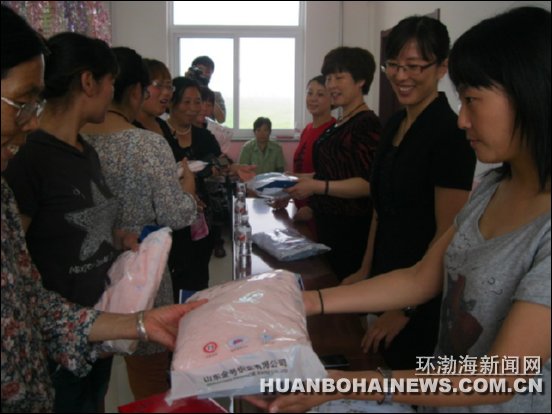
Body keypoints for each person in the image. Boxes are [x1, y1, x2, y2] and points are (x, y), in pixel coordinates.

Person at [247, 6, 550, 413]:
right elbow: (421, 277)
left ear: (529, 94)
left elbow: (500, 377)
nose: (463, 119)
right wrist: (308, 301)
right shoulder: (495, 187)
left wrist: (344, 384)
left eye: (472, 100)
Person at [0, 5, 205, 412]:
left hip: (82, 332)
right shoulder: (30, 161)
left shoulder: (84, 152)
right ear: (89, 81)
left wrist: (136, 321)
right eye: (22, 102)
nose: (29, 121)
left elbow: (25, 295)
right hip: (57, 354)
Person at [341, 16, 476, 371]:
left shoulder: (449, 134)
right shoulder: (395, 124)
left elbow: (447, 234)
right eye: (394, 65)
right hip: (386, 278)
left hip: (421, 297)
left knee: (403, 383)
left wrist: (406, 308)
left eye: (414, 66)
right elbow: (380, 208)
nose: (401, 76)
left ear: (441, 67)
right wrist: (365, 269)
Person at [81, 47, 197, 400]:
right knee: (149, 377)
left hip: (87, 272)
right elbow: (177, 215)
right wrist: (189, 190)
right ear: (135, 91)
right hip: (143, 273)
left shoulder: (76, 139)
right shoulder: (148, 144)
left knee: (90, 380)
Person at [286, 47, 381, 280]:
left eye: (339, 77)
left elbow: (368, 184)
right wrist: (296, 179)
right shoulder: (341, 122)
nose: (331, 85)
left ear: (360, 81)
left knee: (340, 290)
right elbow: (332, 172)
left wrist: (316, 186)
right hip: (326, 225)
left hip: (349, 230)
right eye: (329, 78)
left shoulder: (366, 123)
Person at [165, 76, 222, 296]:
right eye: (186, 101)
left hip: (200, 218)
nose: (193, 107)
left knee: (198, 279)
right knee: (172, 279)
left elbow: (220, 161)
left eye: (197, 101)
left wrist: (229, 168)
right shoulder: (159, 135)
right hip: (170, 221)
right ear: (172, 102)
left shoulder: (203, 135)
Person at [291, 75, 335, 221]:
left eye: (320, 94)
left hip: (320, 211)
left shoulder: (334, 131)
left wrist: (312, 208)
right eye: (310, 93)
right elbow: (301, 169)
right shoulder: (307, 129)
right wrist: (286, 194)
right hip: (300, 207)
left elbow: (333, 178)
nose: (313, 99)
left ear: (332, 99)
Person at [186, 55, 226, 123]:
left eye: (208, 71)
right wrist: (186, 82)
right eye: (200, 70)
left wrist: (208, 94)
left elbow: (221, 119)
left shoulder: (216, 95)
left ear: (211, 73)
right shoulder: (185, 93)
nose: (204, 73)